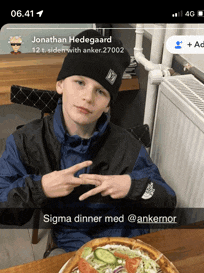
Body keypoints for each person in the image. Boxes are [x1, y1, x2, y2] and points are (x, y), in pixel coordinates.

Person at [0, 29, 176, 256]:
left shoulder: (127, 146)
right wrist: (40, 187)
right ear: (61, 84)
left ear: (108, 104)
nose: (88, 97)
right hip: (71, 240)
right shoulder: (26, 142)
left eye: (100, 91)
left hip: (124, 240)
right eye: (79, 82)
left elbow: (167, 200)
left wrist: (133, 186)